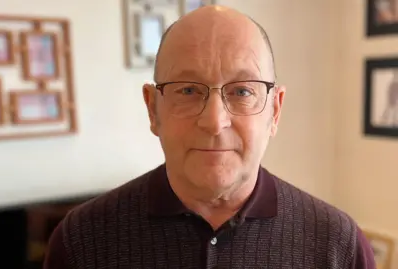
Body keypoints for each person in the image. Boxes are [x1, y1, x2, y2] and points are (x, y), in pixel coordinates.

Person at [43, 5, 376, 268]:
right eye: (188, 90)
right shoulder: (82, 242)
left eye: (243, 91)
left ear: (274, 111)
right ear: (153, 109)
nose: (215, 122)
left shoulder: (338, 244)